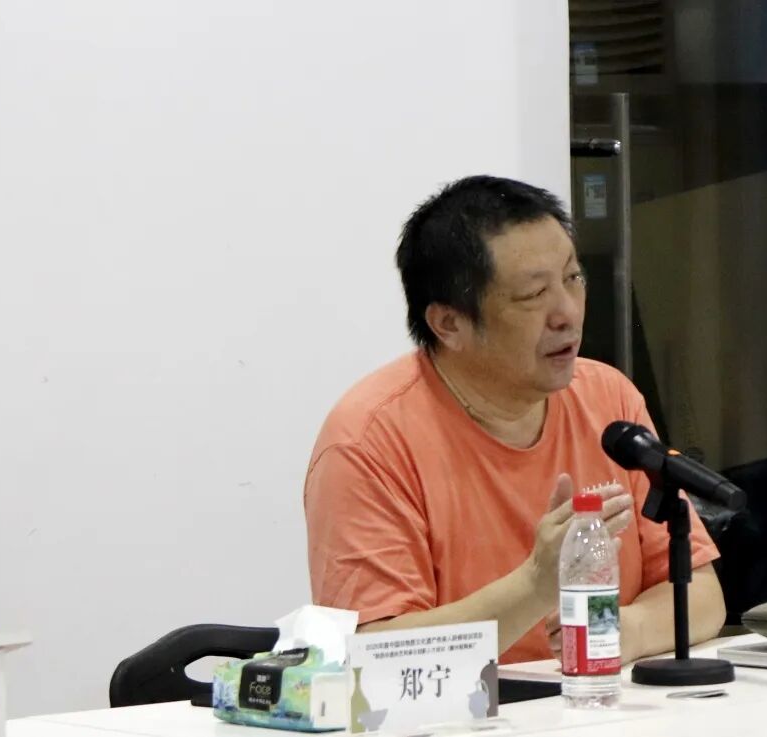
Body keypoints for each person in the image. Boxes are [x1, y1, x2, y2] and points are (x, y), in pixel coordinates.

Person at [304, 175, 725, 664]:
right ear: (449, 323)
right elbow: (376, 653)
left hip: (596, 700)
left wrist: (619, 629)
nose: (567, 313)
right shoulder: (368, 442)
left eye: (573, 278)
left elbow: (700, 596)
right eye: (532, 295)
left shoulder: (609, 398)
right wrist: (536, 584)